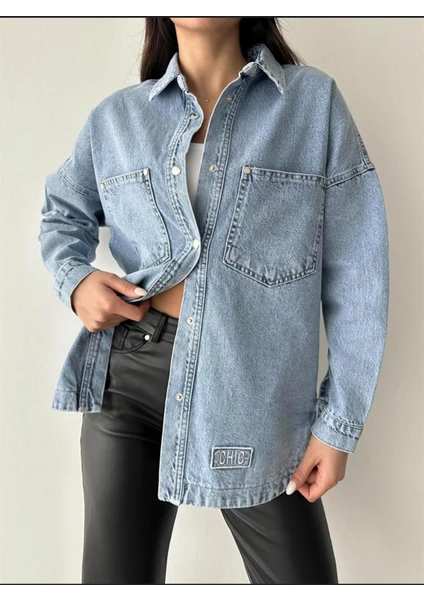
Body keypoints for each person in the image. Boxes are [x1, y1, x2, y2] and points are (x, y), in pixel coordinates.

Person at [38, 18, 390, 584]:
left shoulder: (310, 103)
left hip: (253, 390)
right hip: (127, 380)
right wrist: (76, 281)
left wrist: (338, 424)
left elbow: (358, 267)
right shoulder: (117, 118)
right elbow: (62, 213)